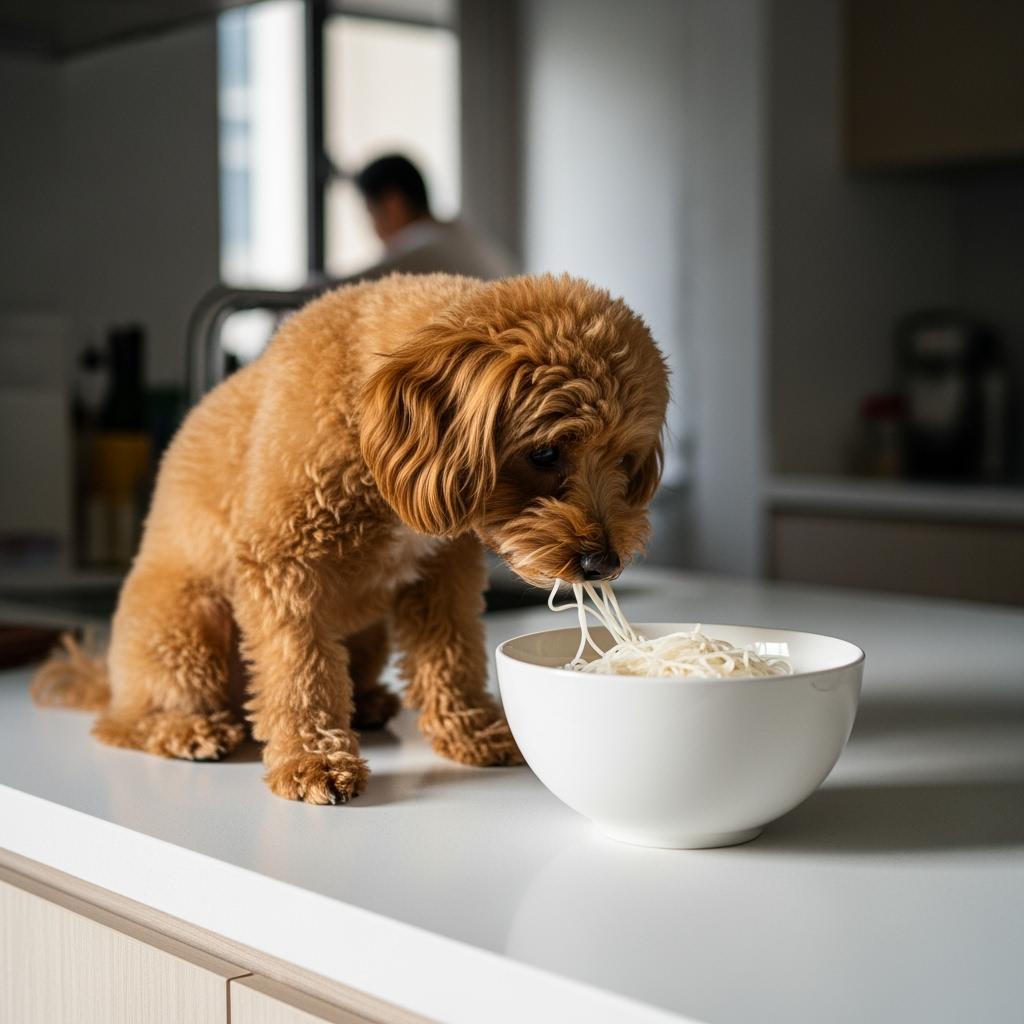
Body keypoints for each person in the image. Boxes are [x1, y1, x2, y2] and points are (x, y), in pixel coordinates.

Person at [353, 154, 517, 280]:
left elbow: (340, 291)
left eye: (371, 214)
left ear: (393, 205)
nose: (373, 229)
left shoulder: (420, 251)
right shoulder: (460, 237)